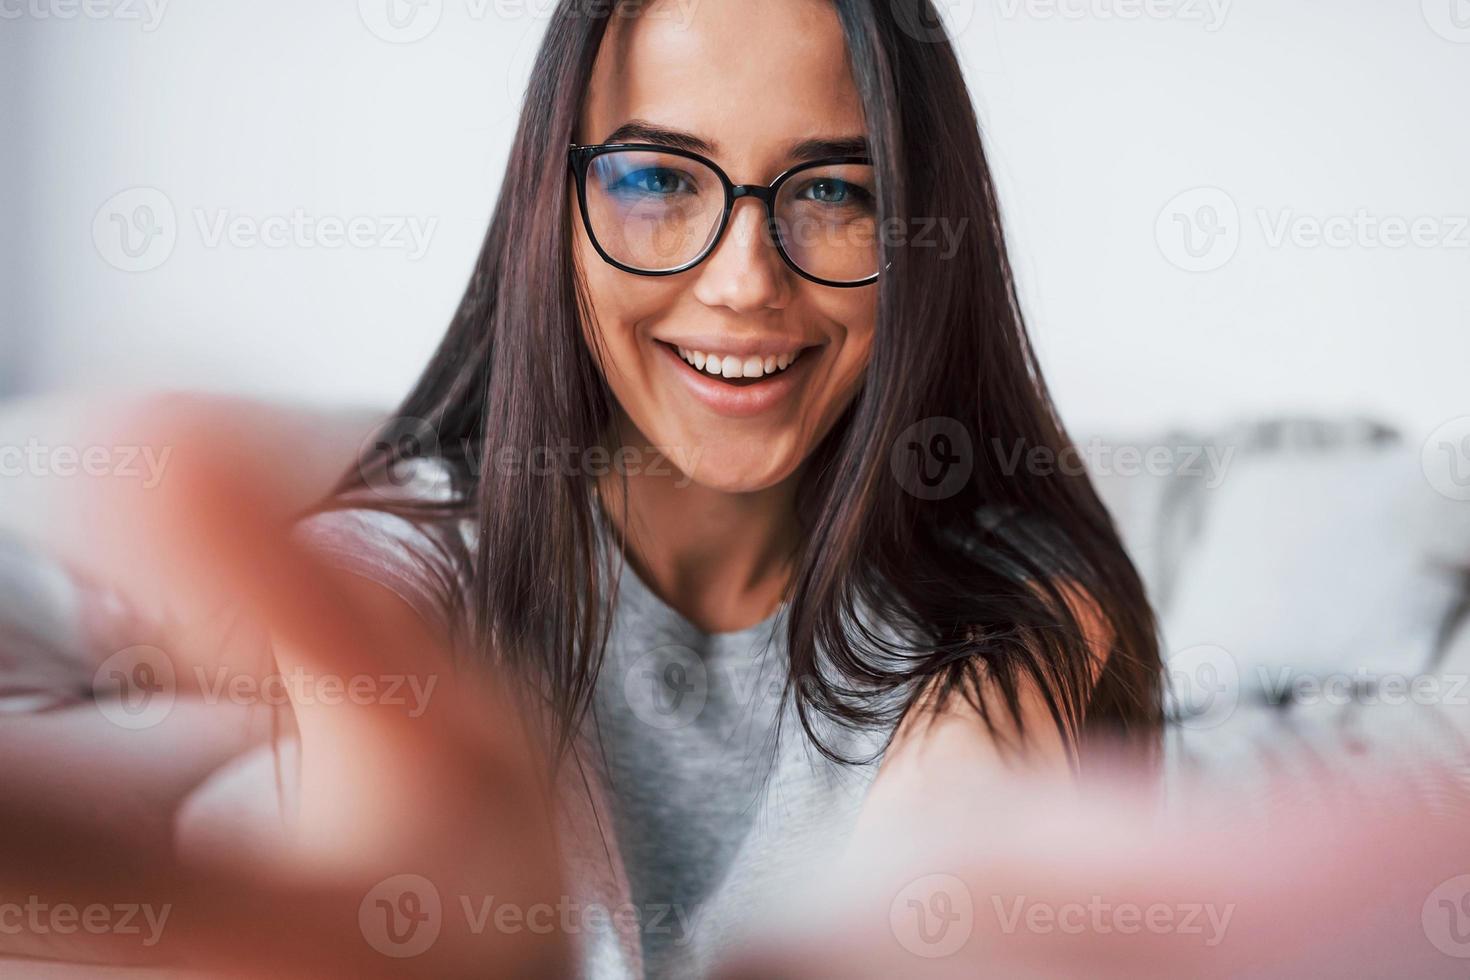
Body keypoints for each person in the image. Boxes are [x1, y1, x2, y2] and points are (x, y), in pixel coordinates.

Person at [289, 1, 1163, 976]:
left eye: (833, 191)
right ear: (553, 204)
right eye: (658, 178)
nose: (744, 282)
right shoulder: (396, 564)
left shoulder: (1011, 597)